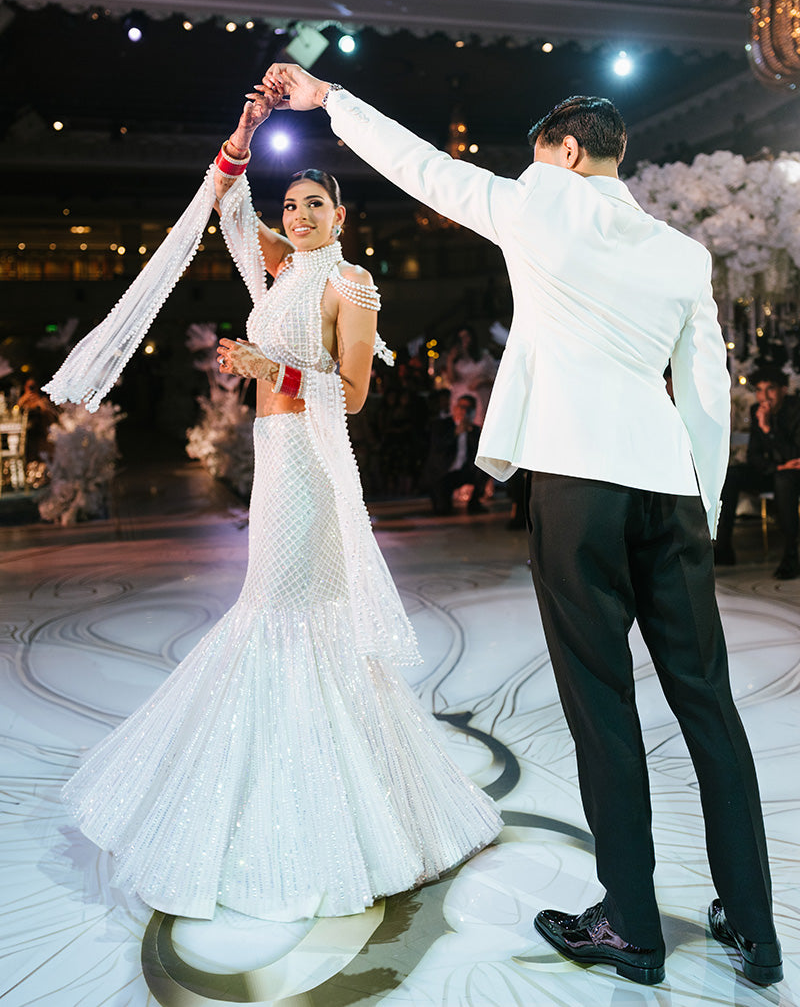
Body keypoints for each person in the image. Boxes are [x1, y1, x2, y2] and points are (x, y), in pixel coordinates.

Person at [260, 64, 783, 987]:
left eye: (540, 157)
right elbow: (709, 392)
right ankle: (755, 927)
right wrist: (702, 506)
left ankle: (631, 928)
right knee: (711, 708)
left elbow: (420, 166)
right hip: (668, 489)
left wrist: (330, 100)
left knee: (604, 710)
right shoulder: (680, 253)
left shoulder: (535, 209)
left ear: (567, 151)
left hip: (580, 489)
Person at [55, 85, 502, 922]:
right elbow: (224, 201)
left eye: (313, 204)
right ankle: (286, 775)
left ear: (341, 216)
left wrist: (273, 369)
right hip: (273, 455)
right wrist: (247, 133)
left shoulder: (351, 287)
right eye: (291, 203)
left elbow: (360, 392)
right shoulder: (282, 268)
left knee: (286, 612)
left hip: (310, 455)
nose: (297, 215)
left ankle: (331, 803)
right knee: (275, 608)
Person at [715, 366, 800, 578]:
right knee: (732, 475)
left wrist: (768, 430)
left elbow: (795, 455)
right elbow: (753, 456)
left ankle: (792, 555)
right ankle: (723, 549)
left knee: (784, 479)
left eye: (770, 389)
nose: (764, 396)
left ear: (783, 389)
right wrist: (776, 466)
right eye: (760, 390)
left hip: (792, 476)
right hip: (774, 471)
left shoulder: (796, 410)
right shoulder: (756, 411)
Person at [423, 392, 488, 515]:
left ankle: (474, 503)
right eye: (461, 407)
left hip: (462, 472)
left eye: (468, 409)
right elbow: (437, 448)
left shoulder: (474, 430)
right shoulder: (441, 425)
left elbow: (478, 454)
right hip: (442, 473)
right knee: (443, 510)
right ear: (455, 408)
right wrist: (456, 433)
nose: (464, 411)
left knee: (484, 470)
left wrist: (469, 433)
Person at [442, 326, 497, 422]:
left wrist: (482, 381)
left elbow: (496, 378)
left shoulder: (484, 356)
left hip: (482, 396)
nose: (465, 340)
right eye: (461, 337)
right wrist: (450, 360)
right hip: (461, 396)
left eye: (467, 336)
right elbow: (451, 380)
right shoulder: (455, 359)